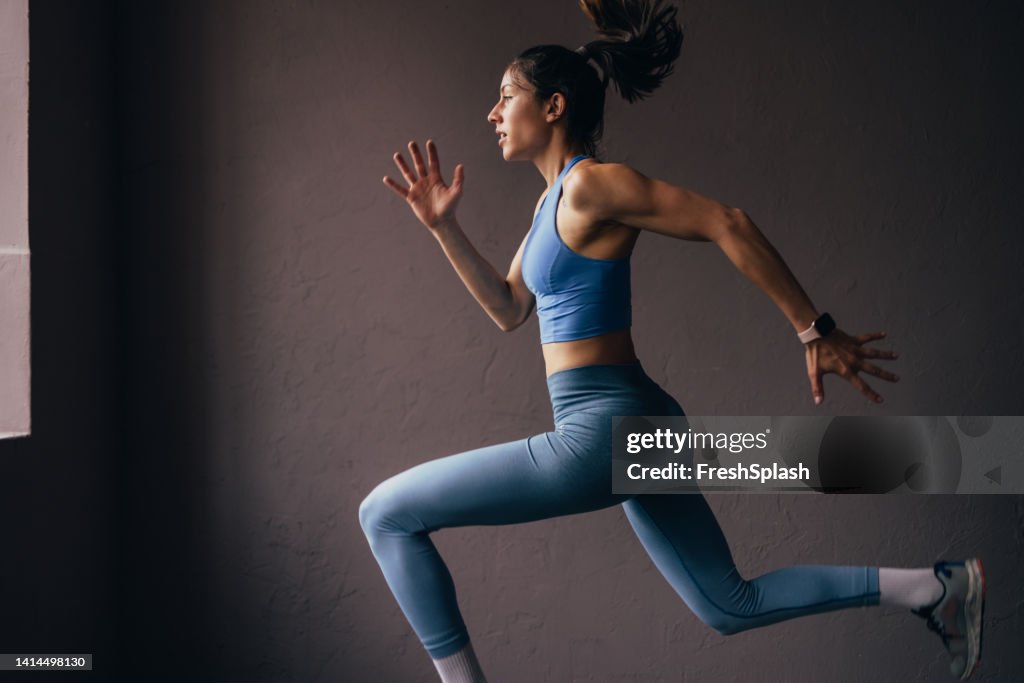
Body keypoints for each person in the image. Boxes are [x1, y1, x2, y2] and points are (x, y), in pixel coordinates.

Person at [361, 1, 985, 680]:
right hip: (636, 418)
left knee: (387, 512)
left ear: (553, 107)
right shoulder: (551, 204)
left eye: (506, 96)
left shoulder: (594, 185)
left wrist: (815, 329)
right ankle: (936, 587)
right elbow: (511, 309)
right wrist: (443, 230)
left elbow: (727, 221)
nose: (492, 112)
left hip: (601, 430)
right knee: (730, 604)